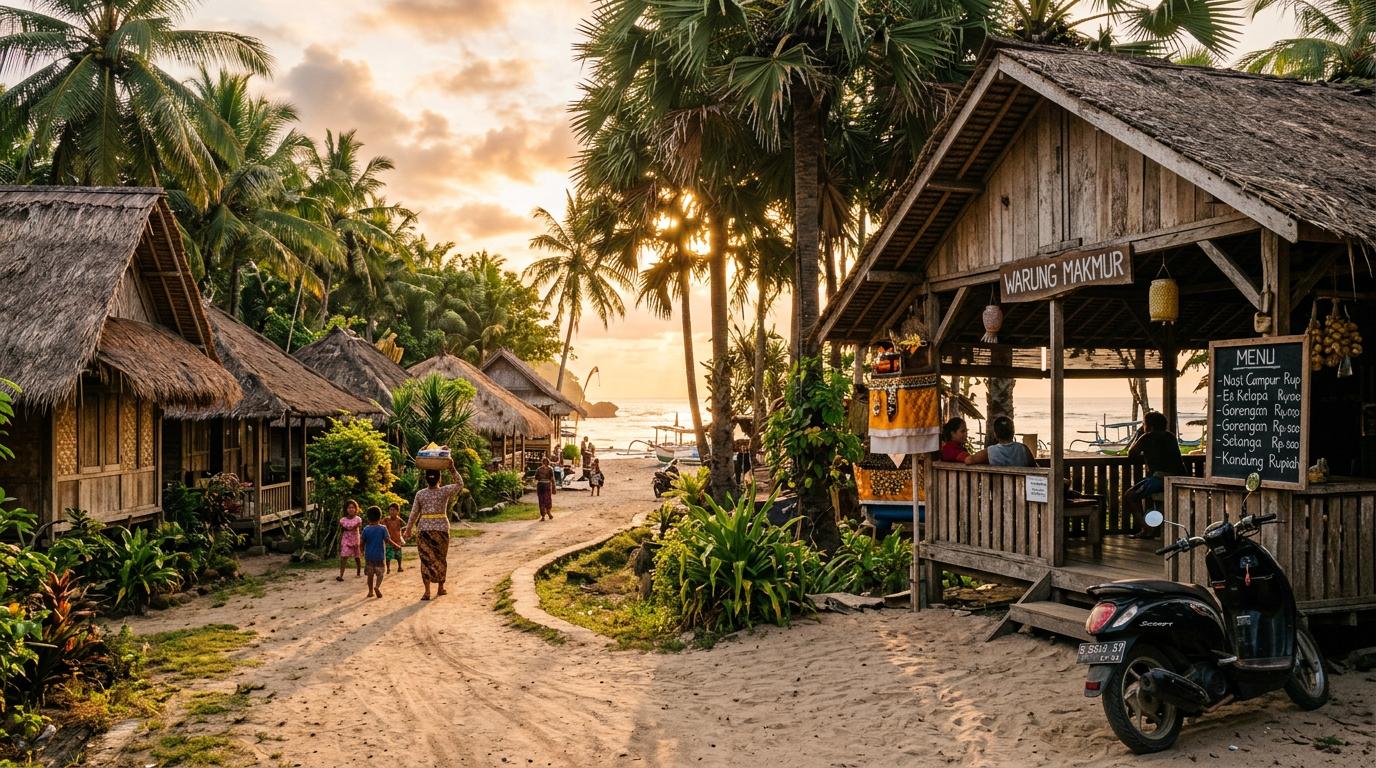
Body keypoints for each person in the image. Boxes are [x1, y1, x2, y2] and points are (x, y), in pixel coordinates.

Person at [404, 457, 463, 601]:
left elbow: (414, 513)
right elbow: (460, 484)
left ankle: (427, 592)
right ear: (439, 479)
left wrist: (408, 529)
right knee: (440, 559)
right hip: (441, 529)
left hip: (423, 530)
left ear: (426, 480)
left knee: (426, 560)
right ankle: (441, 588)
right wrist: (452, 467)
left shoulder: (420, 494)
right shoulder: (444, 491)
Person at [1123, 411, 1186, 538]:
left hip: (1160, 478)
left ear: (1150, 426)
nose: (1143, 427)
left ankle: (1146, 529)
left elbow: (1131, 454)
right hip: (1178, 477)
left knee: (1130, 495)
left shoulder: (1147, 437)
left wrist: (1139, 434)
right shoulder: (1170, 436)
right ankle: (1151, 528)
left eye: (1144, 424)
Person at [361, 506, 402, 599]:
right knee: (380, 573)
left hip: (369, 556)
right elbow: (388, 539)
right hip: (379, 556)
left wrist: (361, 551)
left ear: (368, 517)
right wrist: (396, 545)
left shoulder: (366, 529)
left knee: (370, 575)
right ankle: (377, 587)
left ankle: (370, 592)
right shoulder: (383, 528)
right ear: (380, 517)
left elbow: (362, 542)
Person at [966, 415, 1034, 467]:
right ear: (1013, 432)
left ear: (995, 434)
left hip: (997, 485)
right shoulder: (1023, 449)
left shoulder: (990, 452)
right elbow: (1034, 467)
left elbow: (968, 460)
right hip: (1020, 485)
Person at [336, 499, 363, 582]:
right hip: (346, 540)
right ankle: (341, 575)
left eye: (353, 507)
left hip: (355, 540)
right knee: (344, 557)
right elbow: (343, 529)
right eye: (349, 508)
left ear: (356, 509)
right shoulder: (343, 520)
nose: (351, 509)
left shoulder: (358, 519)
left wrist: (348, 528)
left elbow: (353, 527)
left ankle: (358, 572)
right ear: (346, 509)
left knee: (357, 557)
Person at [383, 502, 406, 573]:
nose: (392, 511)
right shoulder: (386, 520)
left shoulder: (399, 520)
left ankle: (399, 567)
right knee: (388, 556)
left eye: (394, 510)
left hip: (398, 541)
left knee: (399, 555)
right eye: (390, 510)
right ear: (389, 511)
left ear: (397, 511)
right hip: (389, 541)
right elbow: (382, 526)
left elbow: (405, 526)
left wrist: (402, 532)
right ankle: (388, 568)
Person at [534, 456, 556, 520]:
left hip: (540, 485)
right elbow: (552, 479)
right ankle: (548, 513)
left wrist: (541, 478)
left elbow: (536, 477)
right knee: (548, 499)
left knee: (541, 500)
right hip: (547, 485)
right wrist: (554, 487)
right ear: (548, 462)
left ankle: (543, 516)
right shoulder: (550, 469)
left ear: (542, 462)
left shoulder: (539, 469)